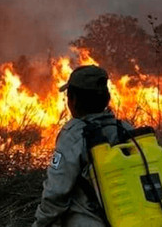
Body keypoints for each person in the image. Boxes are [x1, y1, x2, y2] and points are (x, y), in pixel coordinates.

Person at [32, 65, 133, 227]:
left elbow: (56, 193)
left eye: (68, 96)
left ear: (74, 99)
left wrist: (40, 223)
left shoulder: (73, 135)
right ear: (106, 98)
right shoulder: (125, 129)